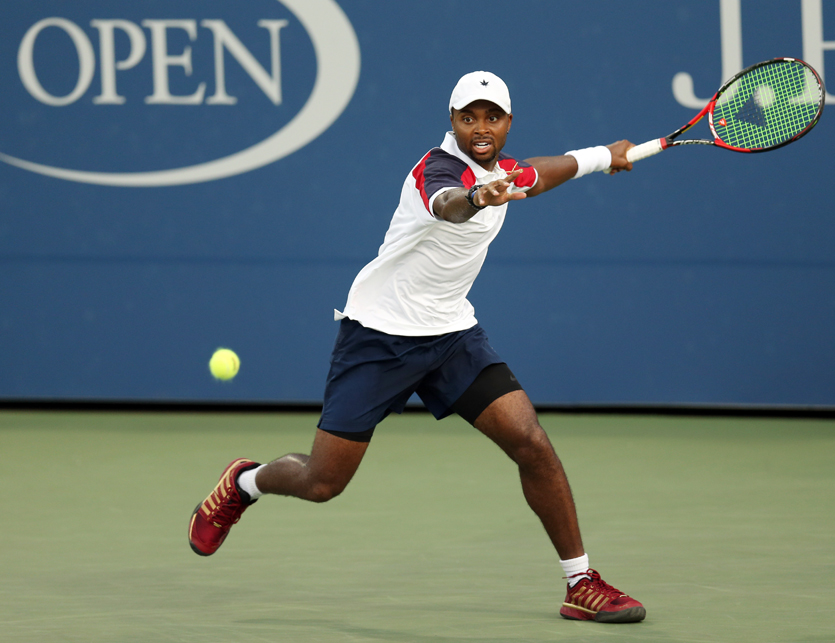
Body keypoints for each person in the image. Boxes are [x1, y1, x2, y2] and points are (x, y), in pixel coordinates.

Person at [189, 71, 645, 624]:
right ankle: (244, 482)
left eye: (491, 117)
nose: (480, 127)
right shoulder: (439, 170)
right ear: (452, 122)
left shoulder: (505, 170)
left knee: (531, 442)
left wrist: (604, 155)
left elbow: (543, 174)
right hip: (379, 337)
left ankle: (581, 583)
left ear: (506, 122)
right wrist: (479, 195)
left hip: (451, 337)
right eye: (468, 117)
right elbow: (449, 203)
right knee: (322, 482)